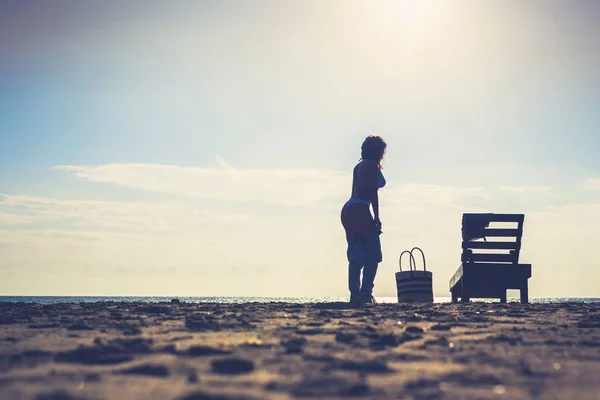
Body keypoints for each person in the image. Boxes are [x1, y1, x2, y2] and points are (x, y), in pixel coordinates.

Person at [340, 135, 387, 306]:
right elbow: (372, 192)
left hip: (348, 209)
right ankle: (365, 293)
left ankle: (355, 294)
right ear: (378, 151)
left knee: (356, 253)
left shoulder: (359, 166)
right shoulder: (371, 165)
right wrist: (376, 217)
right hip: (360, 208)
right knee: (373, 255)